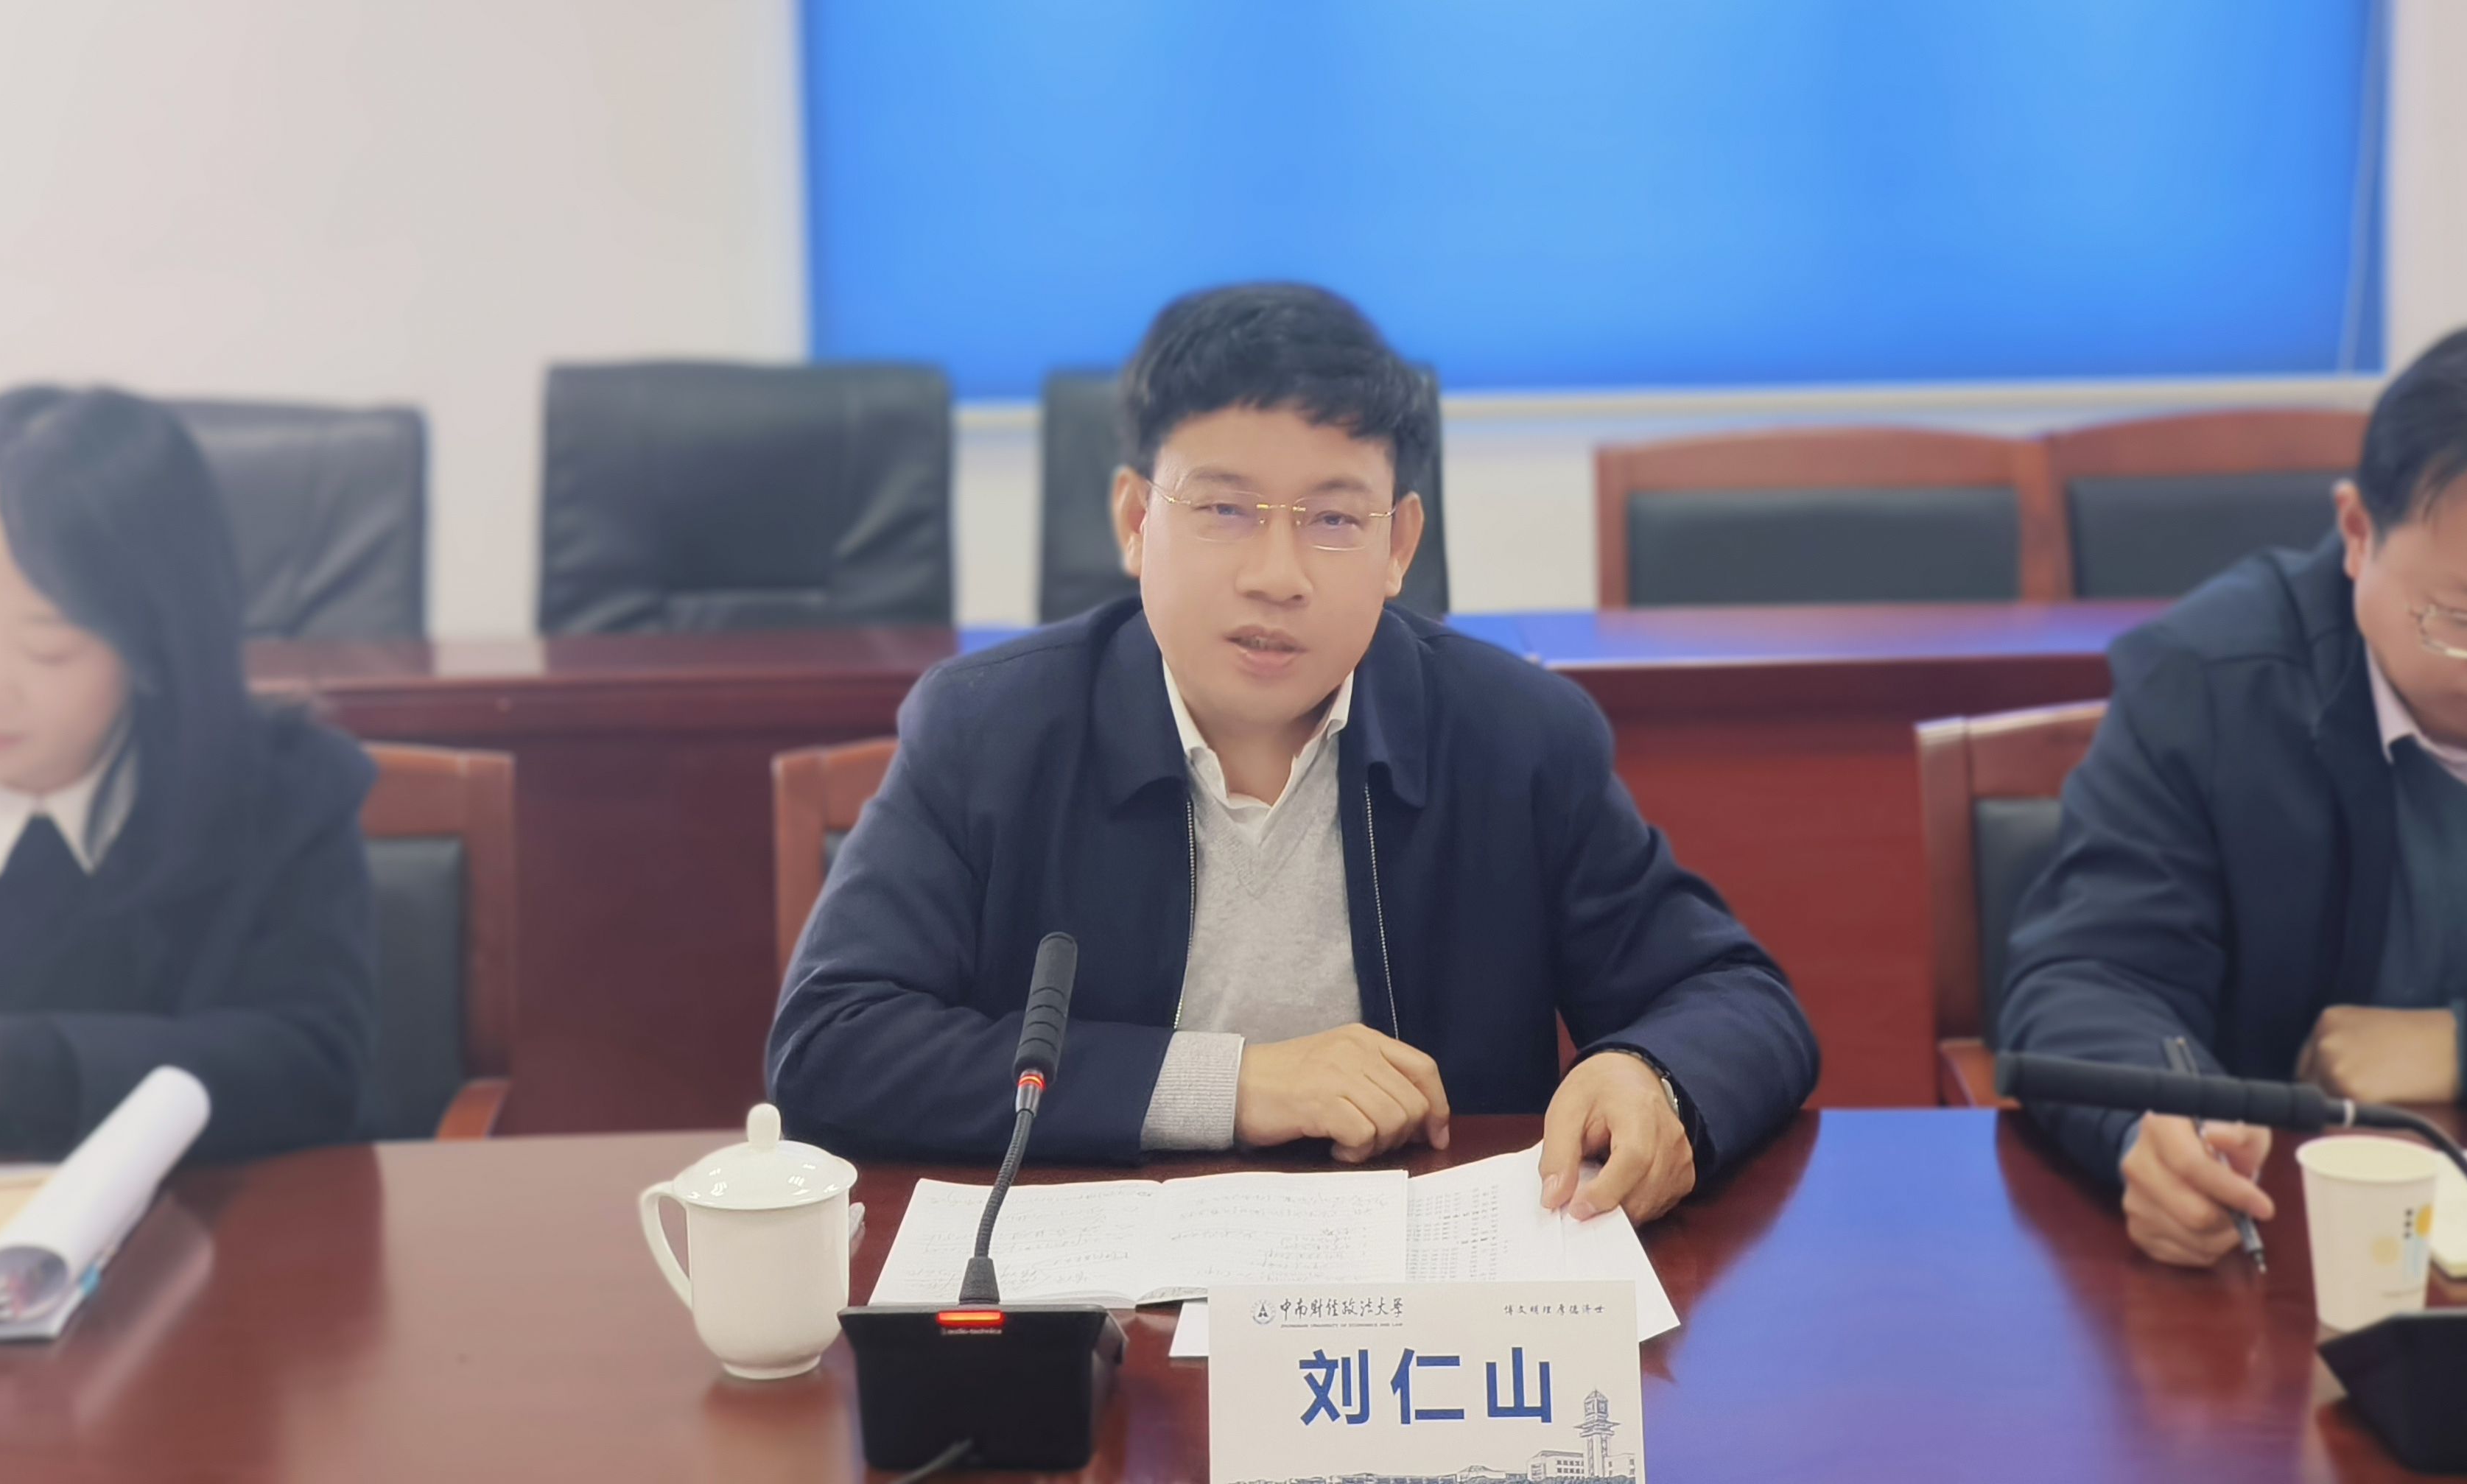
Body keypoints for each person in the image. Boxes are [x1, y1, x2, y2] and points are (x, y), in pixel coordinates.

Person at [770, 283, 1817, 1224]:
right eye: (1224, 510)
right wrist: (1231, 1086)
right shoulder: (989, 731)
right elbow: (831, 1042)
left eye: (1332, 519)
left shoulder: (1517, 738)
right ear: (1136, 520)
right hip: (1106, 1315)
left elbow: (1739, 999)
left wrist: (1651, 1075)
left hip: (1418, 1315)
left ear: (1398, 546)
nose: (1277, 575)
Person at [1998, 319, 2467, 1268]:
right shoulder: (2210, 683)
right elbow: (2093, 973)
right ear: (2357, 534)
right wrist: (2151, 1126)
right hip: (2285, 1246)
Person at [0, 387, 379, 1187]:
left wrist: (17, 1061)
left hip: (200, 1257)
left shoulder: (281, 798)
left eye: (48, 648)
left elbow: (314, 1072)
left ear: (154, 644)